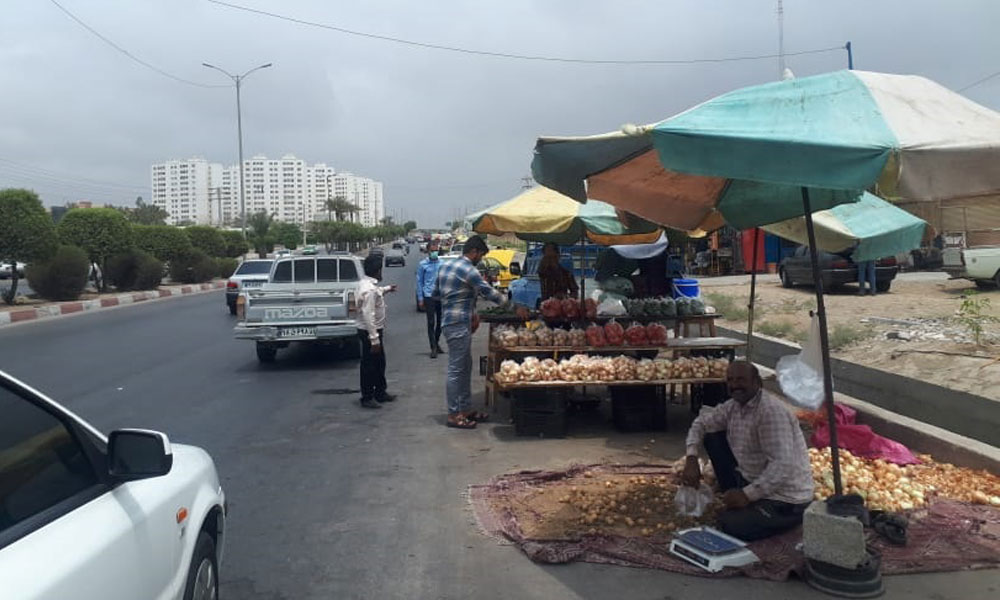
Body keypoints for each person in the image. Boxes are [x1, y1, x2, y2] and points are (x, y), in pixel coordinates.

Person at [682, 361, 814, 541]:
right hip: (752, 479)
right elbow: (701, 422)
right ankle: (740, 499)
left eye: (741, 380)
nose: (735, 385)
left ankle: (769, 515)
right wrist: (691, 457)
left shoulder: (771, 413)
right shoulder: (734, 406)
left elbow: (782, 466)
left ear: (757, 382)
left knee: (729, 524)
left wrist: (747, 495)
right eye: (730, 380)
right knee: (711, 436)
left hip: (785, 498)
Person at [434, 235, 507, 429]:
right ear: (473, 252)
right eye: (481, 255)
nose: (481, 259)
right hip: (458, 323)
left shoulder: (445, 267)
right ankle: (453, 414)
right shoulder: (469, 270)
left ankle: (465, 409)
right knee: (457, 369)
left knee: (465, 366)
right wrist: (513, 306)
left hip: (451, 321)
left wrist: (467, 307)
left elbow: (436, 293)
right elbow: (488, 292)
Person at [357, 254, 398, 409]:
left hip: (372, 331)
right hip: (369, 331)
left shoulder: (368, 285)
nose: (382, 273)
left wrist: (387, 289)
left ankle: (380, 392)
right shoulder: (368, 290)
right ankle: (367, 397)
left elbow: (377, 291)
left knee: (379, 362)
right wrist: (374, 339)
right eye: (380, 270)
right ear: (377, 270)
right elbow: (368, 314)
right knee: (369, 365)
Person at [416, 240, 445, 358]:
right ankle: (433, 347)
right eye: (432, 251)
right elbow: (419, 282)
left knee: (440, 323)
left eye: (436, 250)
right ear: (428, 251)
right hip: (428, 296)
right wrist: (420, 298)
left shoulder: (442, 263)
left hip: (441, 296)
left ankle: (436, 342)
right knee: (431, 322)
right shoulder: (423, 265)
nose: (434, 252)